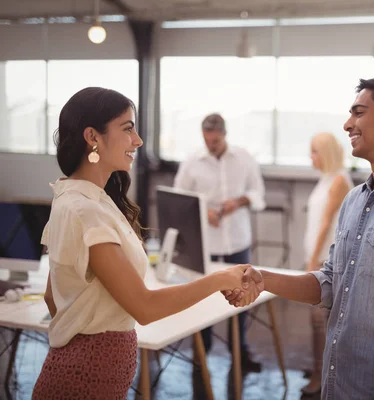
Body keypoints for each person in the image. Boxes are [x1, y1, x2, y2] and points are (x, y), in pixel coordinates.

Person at [226, 76, 374, 399]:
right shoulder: (355, 201)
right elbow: (330, 282)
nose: (347, 124)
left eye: (359, 113)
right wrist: (263, 279)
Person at [32, 87, 259, 400]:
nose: (137, 140)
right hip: (87, 376)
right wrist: (221, 279)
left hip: (87, 369)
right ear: (92, 137)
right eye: (127, 129)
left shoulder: (75, 196)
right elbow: (144, 307)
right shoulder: (88, 210)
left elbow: (51, 297)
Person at [174, 113, 266, 372]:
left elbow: (259, 193)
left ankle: (240, 354)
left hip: (237, 241)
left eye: (215, 141)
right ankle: (201, 355)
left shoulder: (244, 158)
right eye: (207, 140)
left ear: (224, 135)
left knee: (242, 296)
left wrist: (239, 201)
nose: (211, 145)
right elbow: (180, 199)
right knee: (203, 300)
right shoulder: (192, 161)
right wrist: (203, 212)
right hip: (206, 245)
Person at [302, 132, 352, 395]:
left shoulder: (339, 181)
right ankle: (317, 369)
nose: (311, 157)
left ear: (327, 153)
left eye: (314, 151)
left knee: (320, 322)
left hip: (325, 262)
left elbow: (325, 225)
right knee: (316, 321)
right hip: (316, 258)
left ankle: (321, 377)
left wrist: (312, 262)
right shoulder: (326, 180)